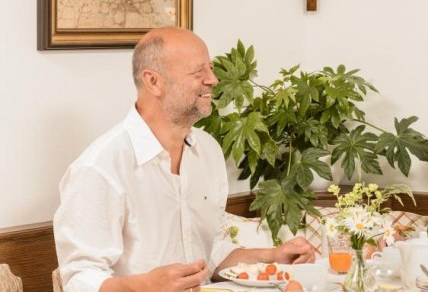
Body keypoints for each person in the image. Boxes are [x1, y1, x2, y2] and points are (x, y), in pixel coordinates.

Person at [54, 27, 316, 292]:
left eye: (210, 69)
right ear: (153, 81)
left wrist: (271, 257)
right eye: (198, 72)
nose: (213, 80)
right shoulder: (99, 169)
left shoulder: (208, 151)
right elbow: (78, 280)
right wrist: (145, 286)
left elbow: (212, 253)